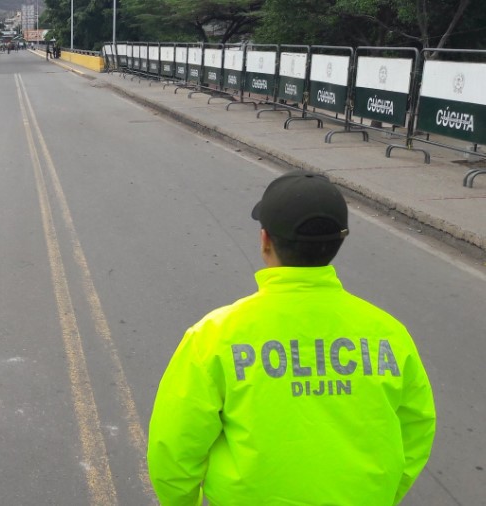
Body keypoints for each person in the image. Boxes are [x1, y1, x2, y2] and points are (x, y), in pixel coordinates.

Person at [147, 170, 436, 506]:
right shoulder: (389, 334)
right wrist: (381, 494)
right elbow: (416, 430)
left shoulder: (215, 336)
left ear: (265, 240)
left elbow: (173, 450)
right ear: (338, 241)